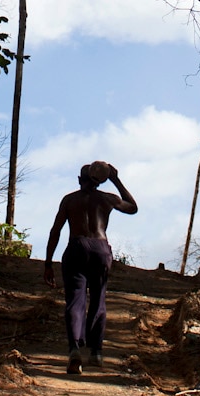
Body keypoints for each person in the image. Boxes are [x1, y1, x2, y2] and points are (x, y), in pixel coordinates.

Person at [42, 160, 137, 375]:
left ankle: (75, 349)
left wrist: (48, 263)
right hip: (100, 249)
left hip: (76, 247)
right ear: (100, 181)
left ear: (79, 180)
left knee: (75, 302)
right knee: (98, 300)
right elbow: (132, 207)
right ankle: (96, 352)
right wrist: (116, 180)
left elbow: (55, 231)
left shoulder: (69, 200)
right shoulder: (107, 198)